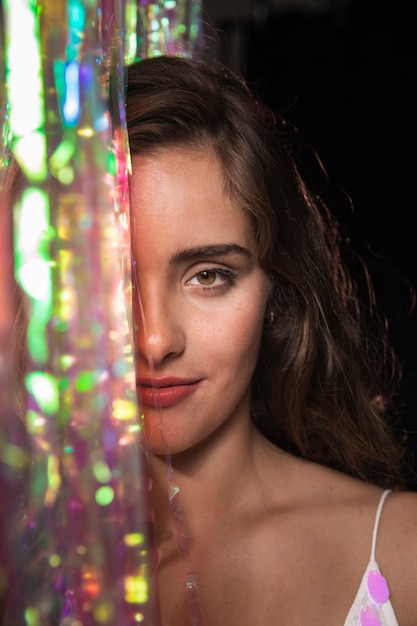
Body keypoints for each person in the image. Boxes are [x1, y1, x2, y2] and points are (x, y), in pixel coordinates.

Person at [3, 54, 417, 625]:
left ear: (277, 288)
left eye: (208, 276)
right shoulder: (24, 574)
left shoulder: (404, 556)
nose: (154, 340)